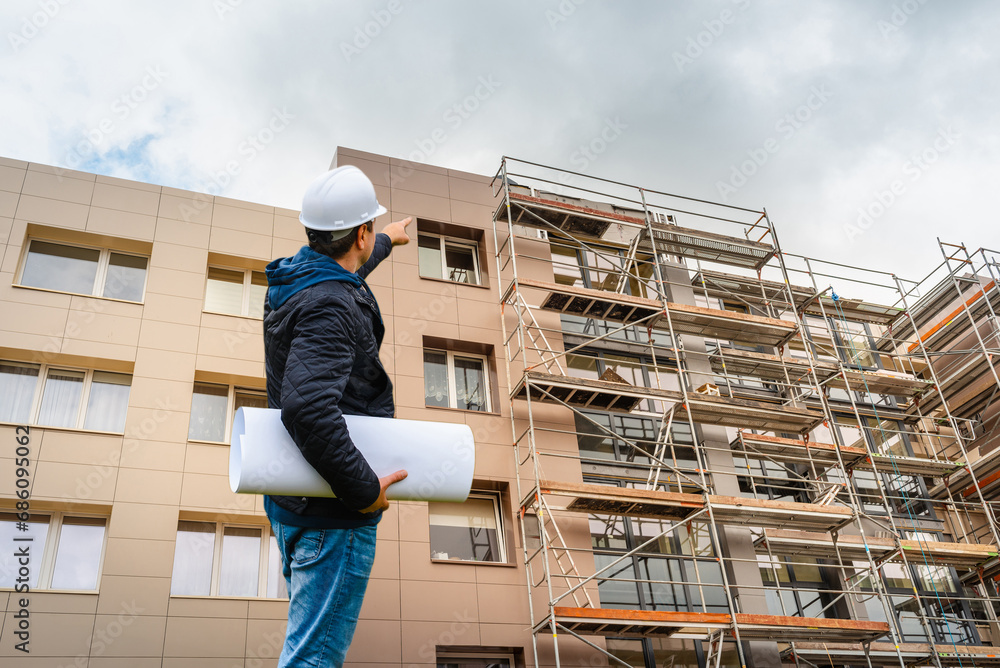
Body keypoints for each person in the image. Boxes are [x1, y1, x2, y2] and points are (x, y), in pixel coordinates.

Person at [262, 165, 411, 666]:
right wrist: (365, 492)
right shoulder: (332, 303)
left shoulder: (299, 278)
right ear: (359, 233)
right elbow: (306, 410)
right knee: (313, 659)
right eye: (372, 230)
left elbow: (346, 272)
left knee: (306, 648)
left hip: (294, 501)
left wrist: (388, 239)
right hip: (332, 510)